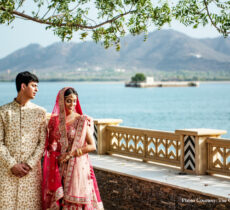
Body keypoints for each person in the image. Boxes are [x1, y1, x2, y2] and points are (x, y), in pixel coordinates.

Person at [42, 87, 103, 210]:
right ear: (61, 101)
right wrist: (55, 156)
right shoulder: (54, 121)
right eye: (69, 100)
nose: (72, 104)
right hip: (59, 167)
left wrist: (71, 154)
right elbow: (50, 144)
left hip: (77, 167)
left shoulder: (81, 120)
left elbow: (92, 146)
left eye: (75, 101)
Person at [0, 71, 47, 209]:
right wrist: (12, 164)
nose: (37, 89)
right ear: (23, 86)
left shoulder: (40, 112)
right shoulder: (3, 112)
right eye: (34, 85)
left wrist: (29, 164)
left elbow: (42, 142)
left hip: (30, 174)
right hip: (6, 173)